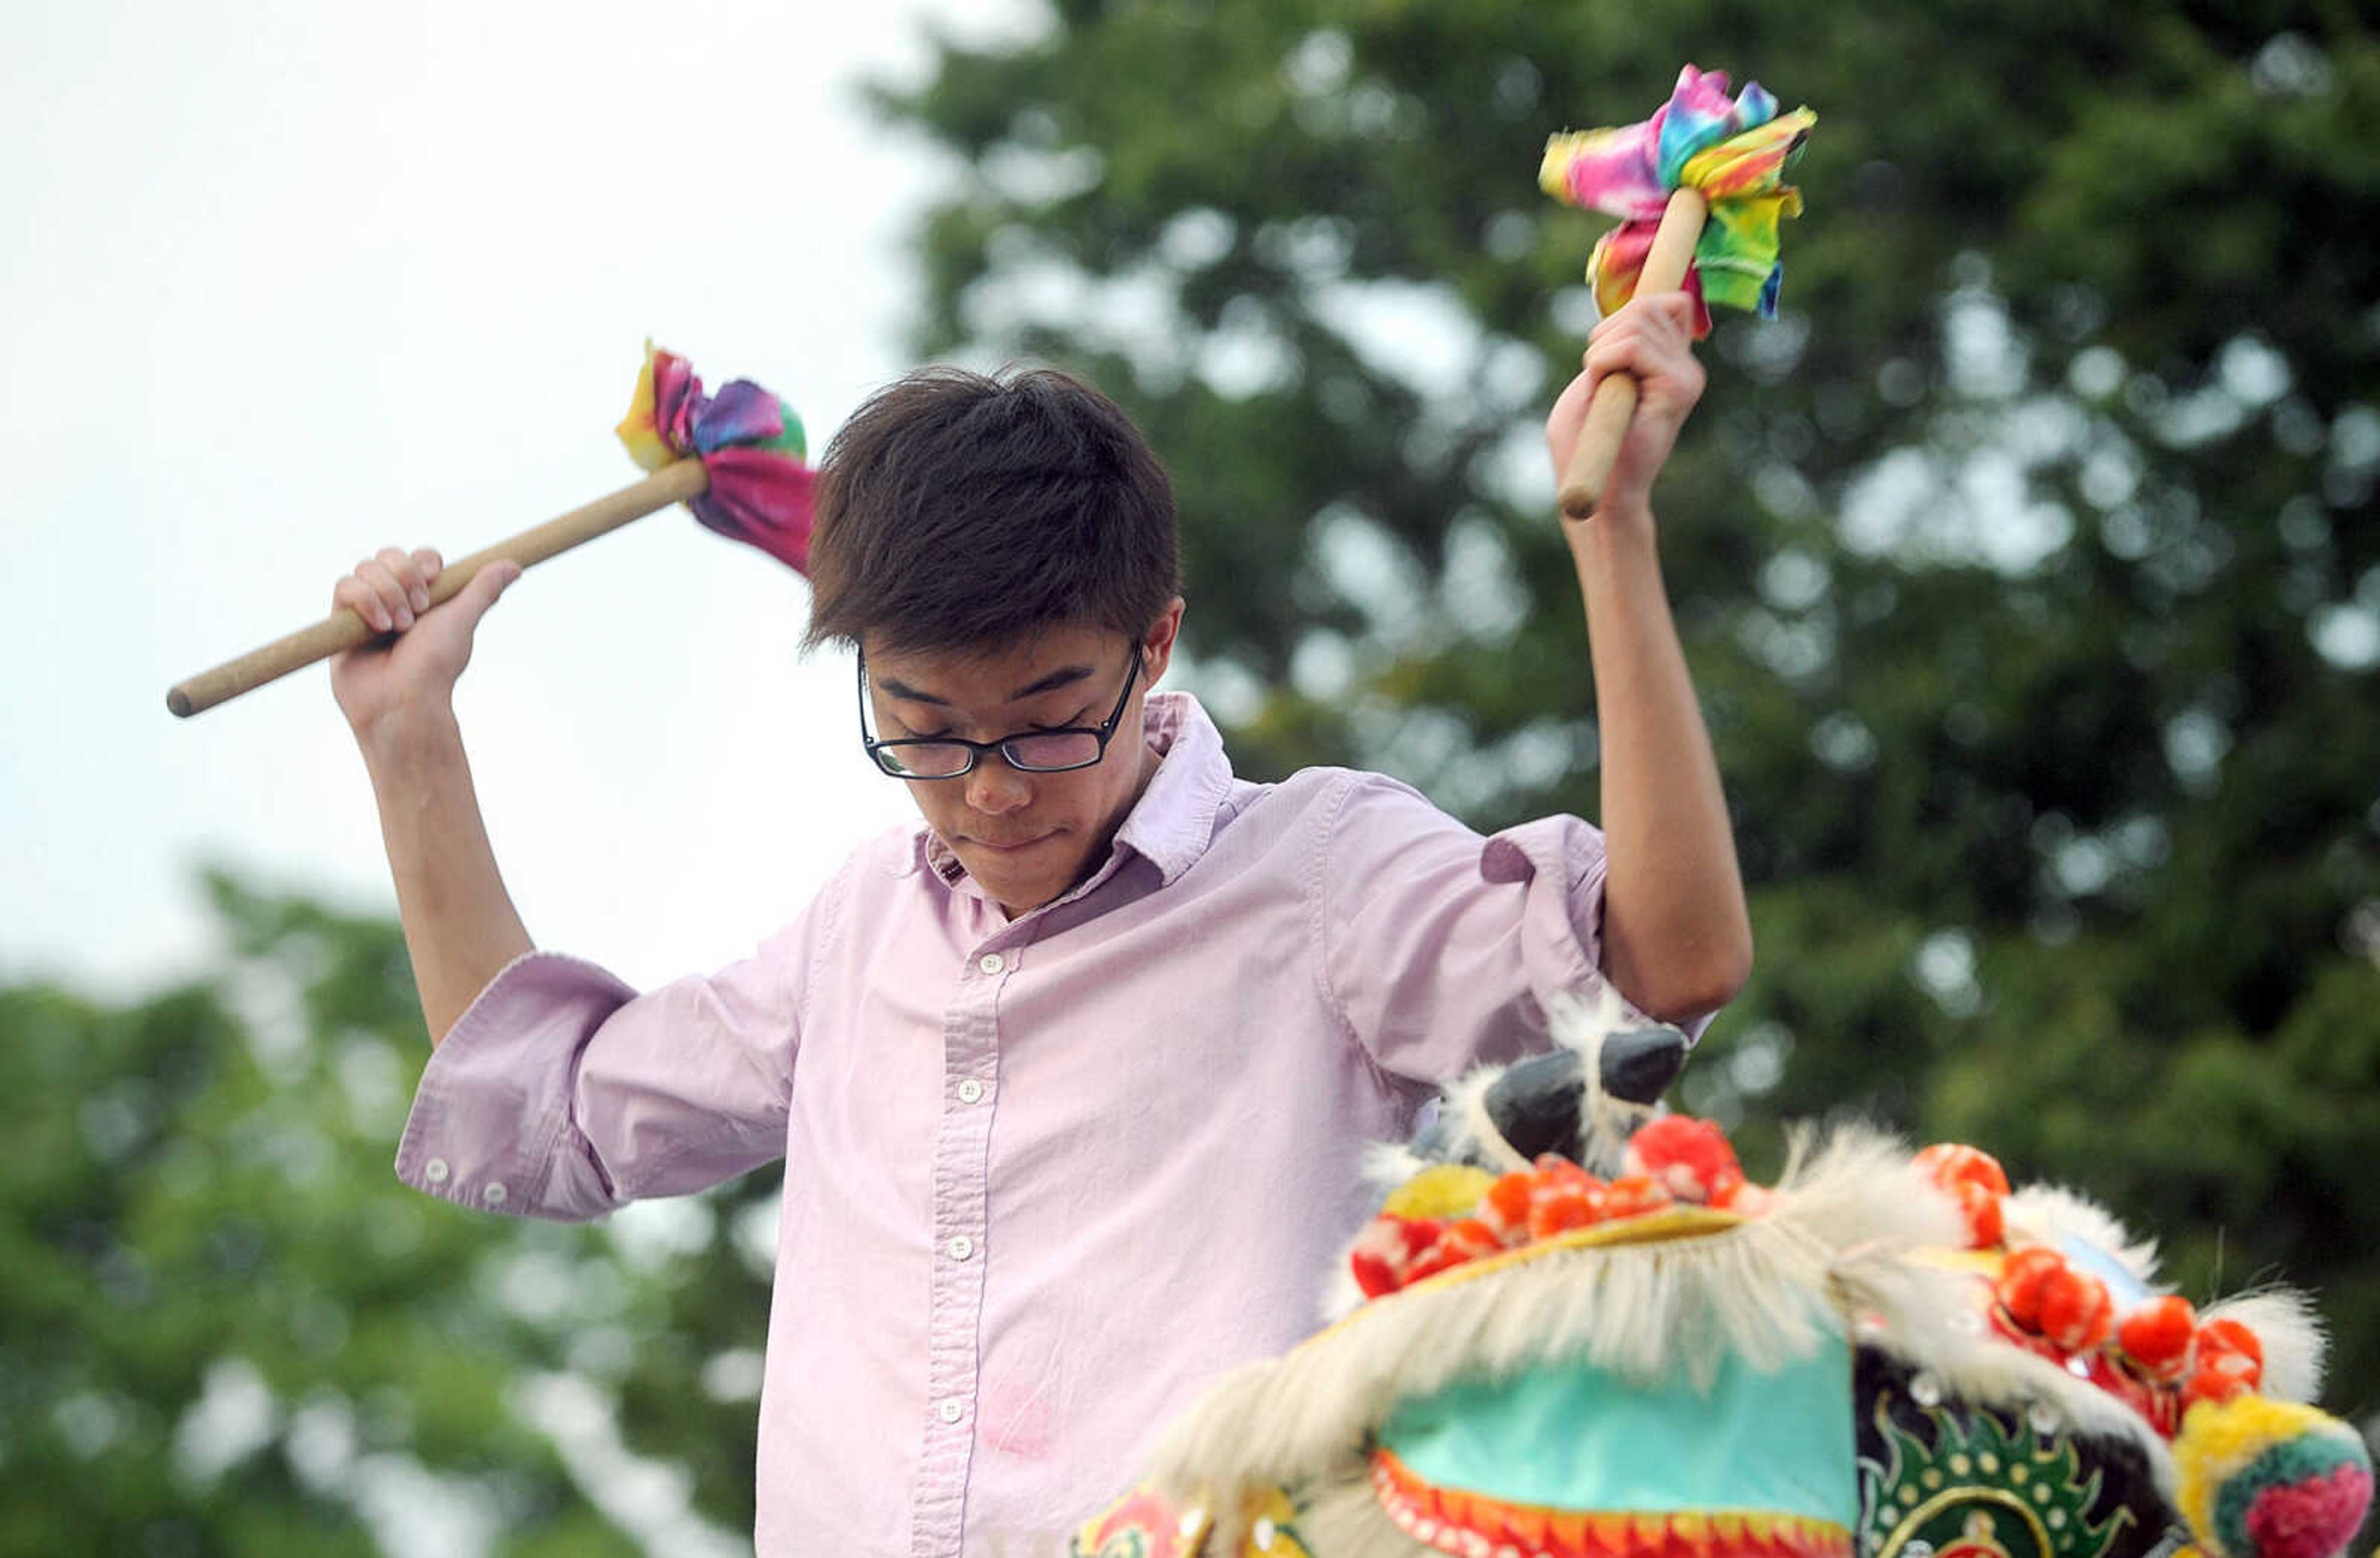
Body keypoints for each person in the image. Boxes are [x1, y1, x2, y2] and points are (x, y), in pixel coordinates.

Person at [328, 291, 1751, 1555]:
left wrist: (1613, 526)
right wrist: (409, 742)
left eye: (1052, 725)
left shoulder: (1323, 877)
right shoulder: (855, 939)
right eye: (924, 731)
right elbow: (550, 1113)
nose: (992, 793)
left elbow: (1670, 963)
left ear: (1157, 643)